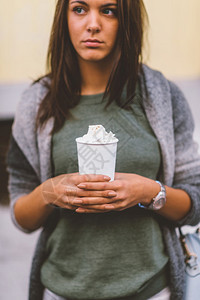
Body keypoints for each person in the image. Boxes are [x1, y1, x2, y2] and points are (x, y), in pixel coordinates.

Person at [7, 0, 200, 299]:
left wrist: (149, 192)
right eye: (80, 9)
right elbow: (22, 216)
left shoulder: (162, 96)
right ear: (64, 17)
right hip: (62, 290)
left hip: (152, 291)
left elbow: (195, 201)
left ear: (127, 21)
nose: (93, 24)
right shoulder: (36, 103)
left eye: (109, 10)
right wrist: (50, 191)